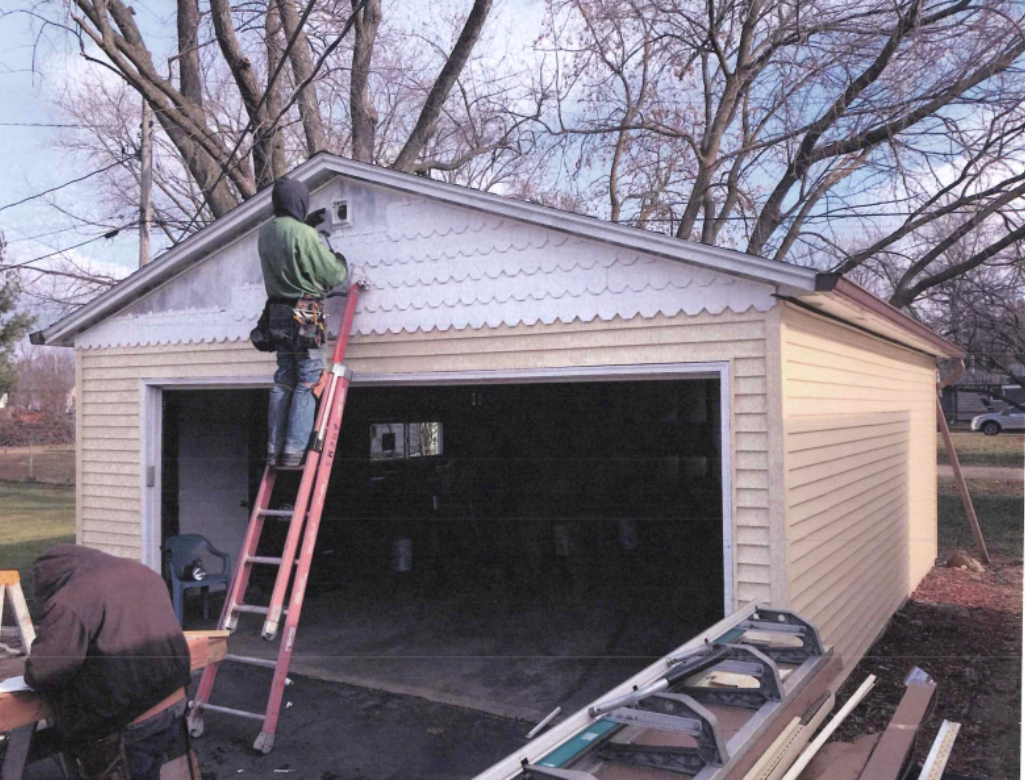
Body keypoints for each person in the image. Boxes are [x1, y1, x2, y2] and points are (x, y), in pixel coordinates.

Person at [24, 544, 192, 780]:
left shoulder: (70, 599)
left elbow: (45, 670)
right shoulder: (141, 572)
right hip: (174, 702)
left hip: (131, 721)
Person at [258, 177, 348, 467]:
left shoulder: (265, 232)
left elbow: (287, 246)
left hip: (277, 312)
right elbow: (333, 275)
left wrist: (304, 227)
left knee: (285, 377)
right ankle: (295, 449)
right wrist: (339, 261)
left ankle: (274, 448)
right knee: (309, 379)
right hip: (306, 309)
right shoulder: (304, 234)